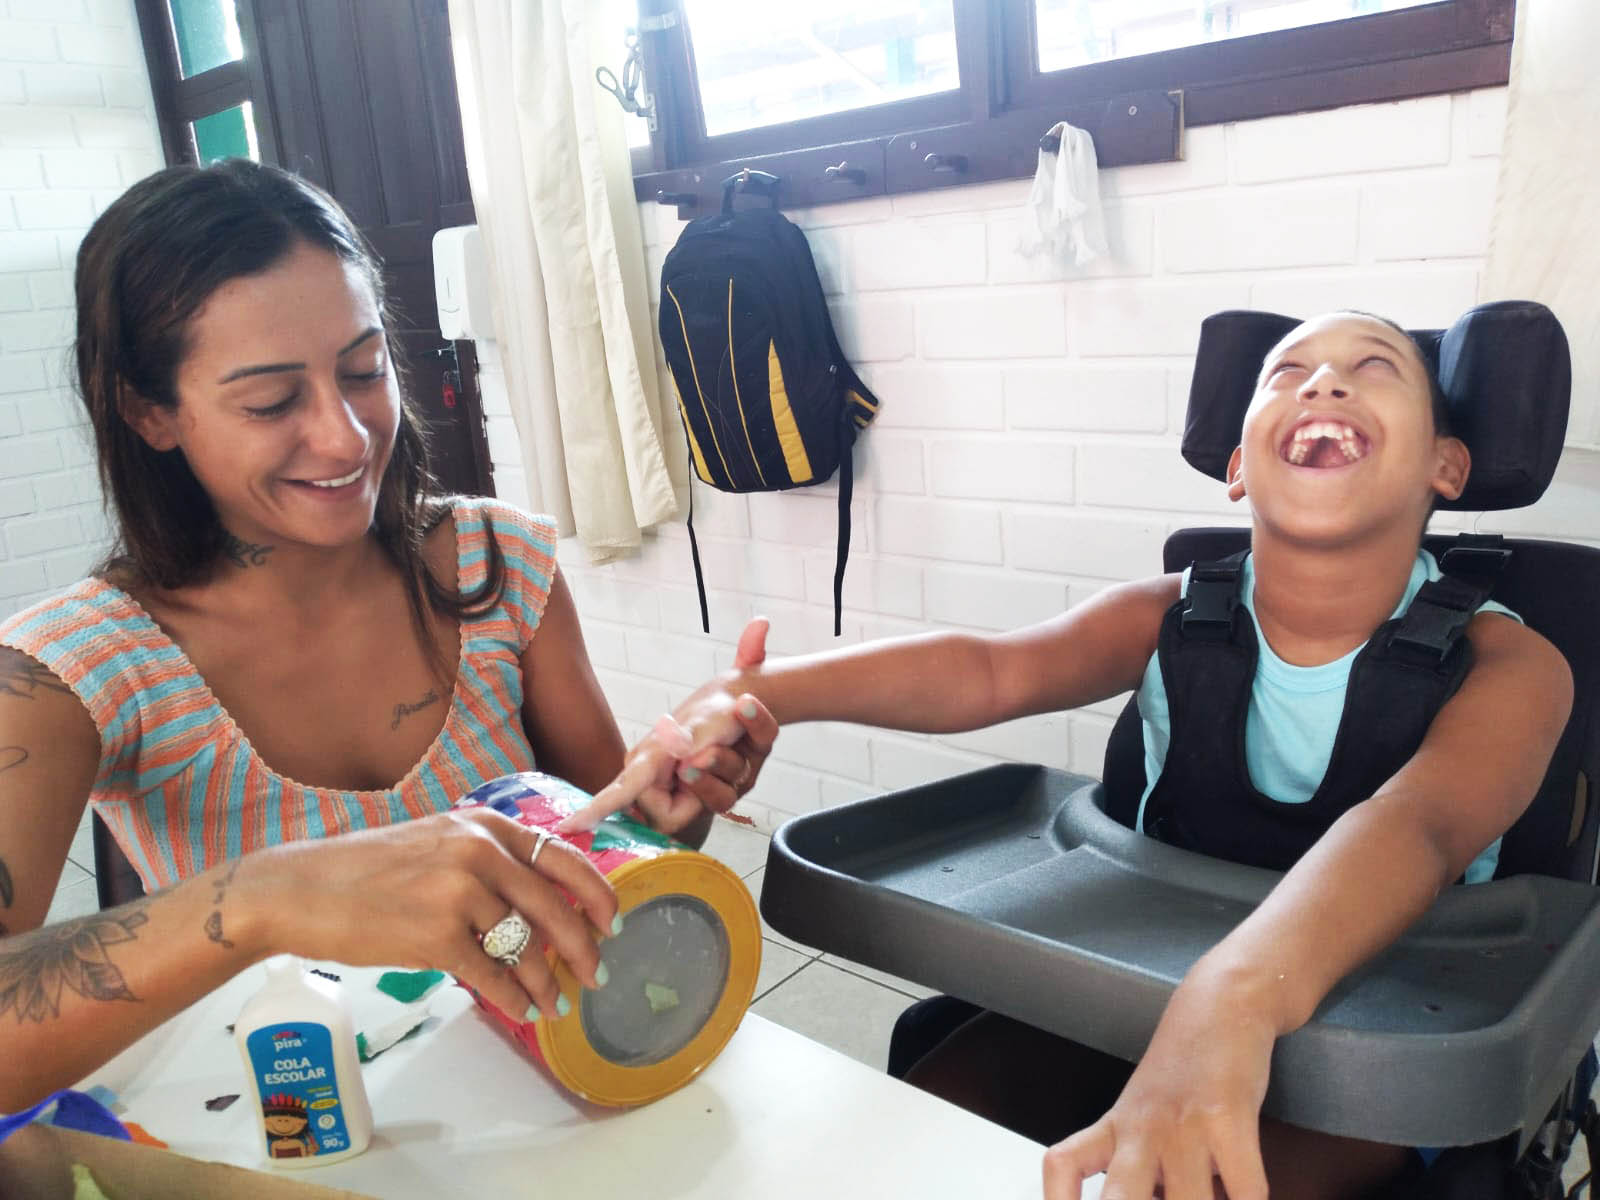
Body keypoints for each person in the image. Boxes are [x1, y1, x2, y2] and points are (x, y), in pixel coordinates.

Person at [562, 311, 1574, 1199]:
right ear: (1234, 465)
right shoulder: (1169, 615)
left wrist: (1231, 992)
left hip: (1367, 1049)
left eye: (1375, 366)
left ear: (1447, 465)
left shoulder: (1511, 662)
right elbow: (991, 672)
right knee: (920, 1129)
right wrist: (753, 693)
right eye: (1287, 372)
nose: (1323, 381)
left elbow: (1421, 824)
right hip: (1131, 994)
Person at [0, 160, 776, 1113]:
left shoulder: (491, 568)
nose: (344, 436)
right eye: (271, 402)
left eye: (364, 371)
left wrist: (670, 804)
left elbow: (605, 842)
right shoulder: (70, 673)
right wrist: (262, 898)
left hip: (570, 1100)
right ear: (149, 411)